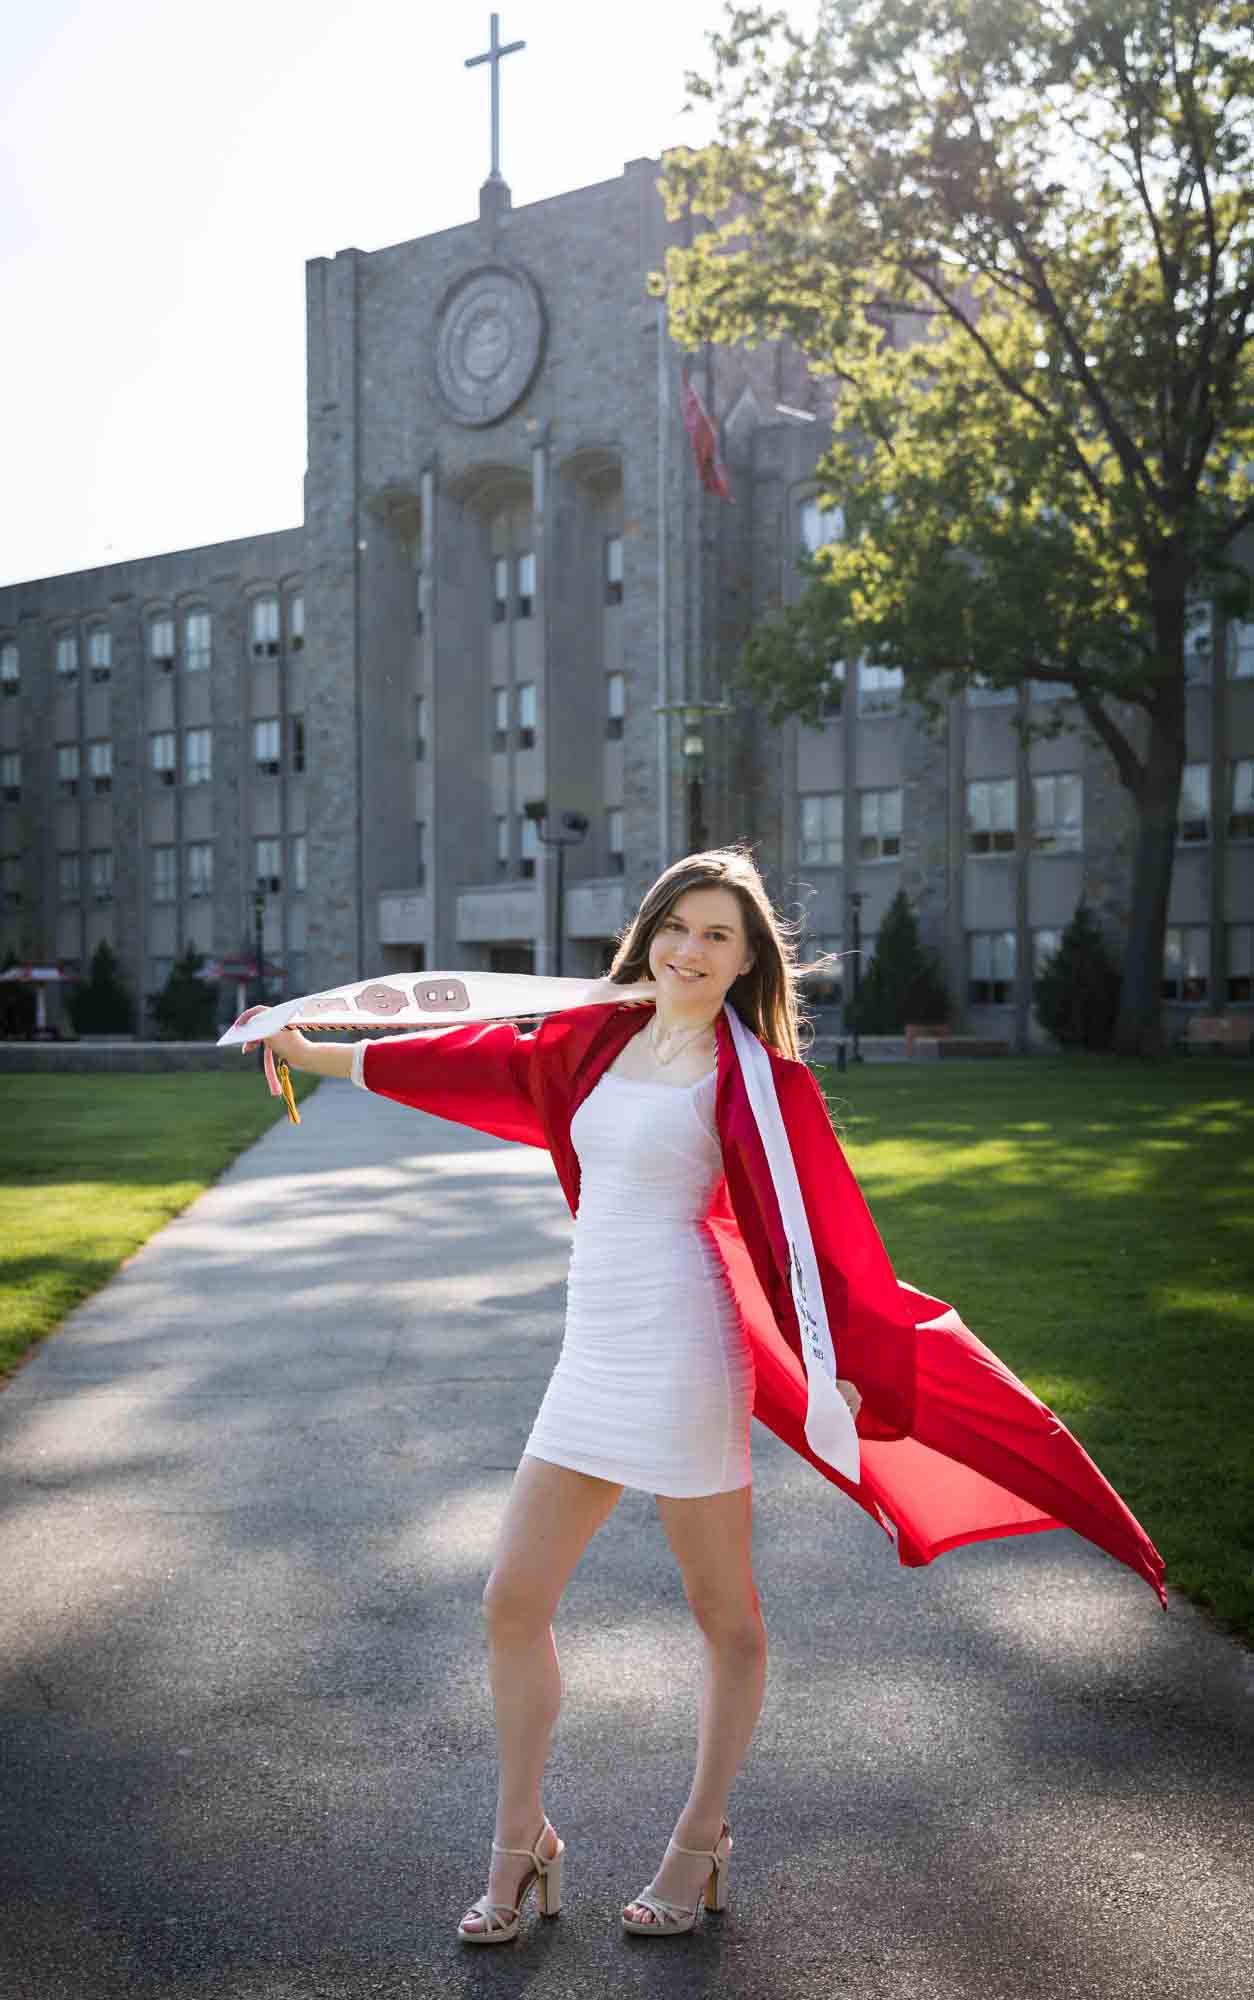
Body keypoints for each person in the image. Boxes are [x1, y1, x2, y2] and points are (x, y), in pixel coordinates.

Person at [261, 844, 1165, 1946]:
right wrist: (312, 1049)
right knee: (512, 1599)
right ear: (649, 934)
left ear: (746, 962)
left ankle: (699, 1835)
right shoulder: (589, 1039)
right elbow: (468, 1061)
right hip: (591, 1352)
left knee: (723, 1613)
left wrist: (866, 1365)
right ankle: (521, 1838)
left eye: (717, 934)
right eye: (677, 926)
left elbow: (834, 1244)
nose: (690, 948)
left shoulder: (764, 1086)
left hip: (690, 1350)